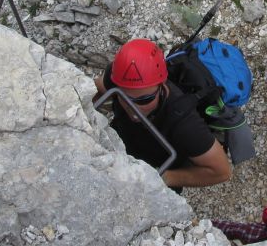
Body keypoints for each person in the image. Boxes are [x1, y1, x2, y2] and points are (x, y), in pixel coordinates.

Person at [94, 38, 232, 189]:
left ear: (161, 86)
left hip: (155, 167)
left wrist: (163, 178)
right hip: (120, 144)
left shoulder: (183, 121)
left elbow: (221, 171)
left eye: (144, 99)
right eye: (124, 97)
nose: (133, 108)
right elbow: (96, 89)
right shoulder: (118, 79)